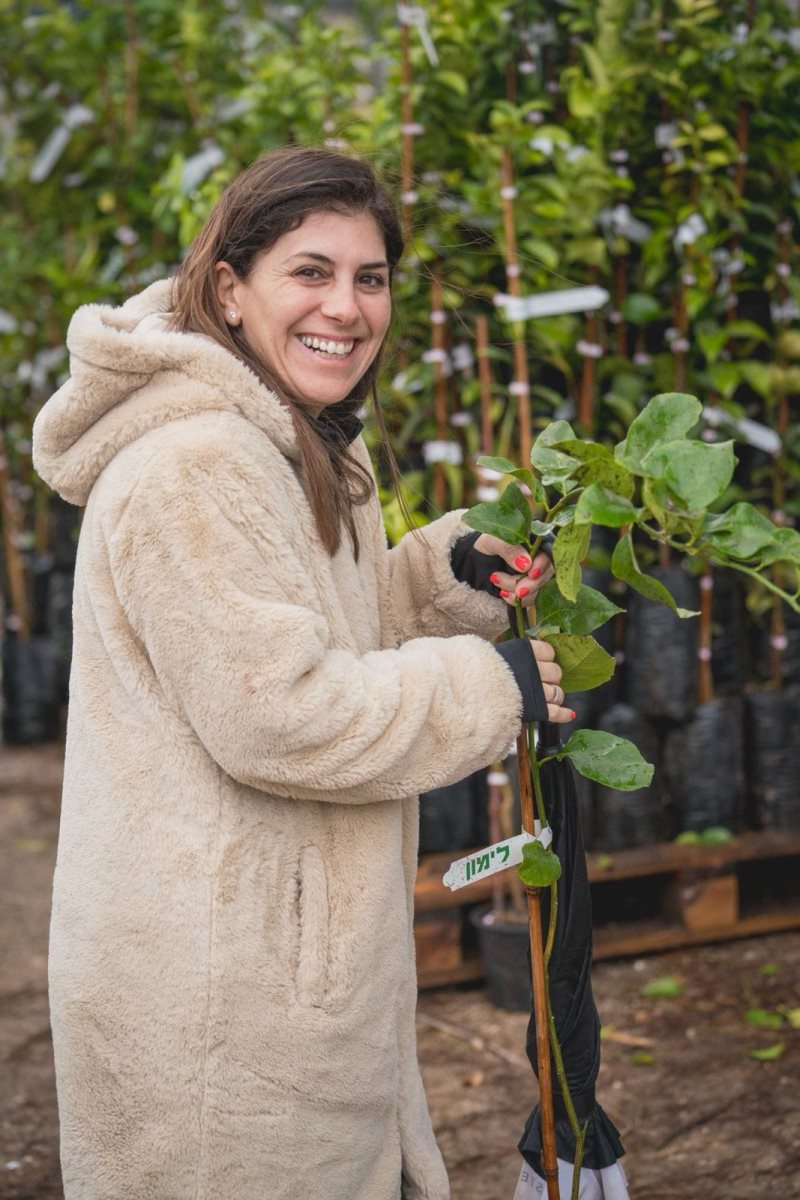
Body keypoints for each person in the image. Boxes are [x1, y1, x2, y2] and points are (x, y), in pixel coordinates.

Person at [32, 145, 574, 1200]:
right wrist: (487, 684)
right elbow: (280, 713)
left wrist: (444, 572)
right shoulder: (193, 467)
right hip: (213, 1003)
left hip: (272, 968)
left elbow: (316, 628)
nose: (347, 306)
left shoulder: (288, 439)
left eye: (369, 277)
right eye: (310, 272)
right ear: (230, 291)